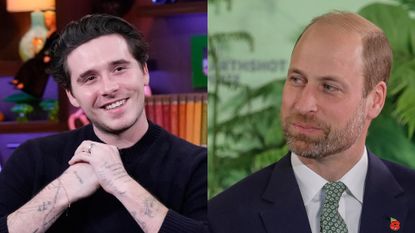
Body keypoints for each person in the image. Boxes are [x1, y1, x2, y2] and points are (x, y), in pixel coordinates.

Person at [208, 11, 415, 233]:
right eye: (297, 80)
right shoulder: (223, 218)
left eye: (329, 87)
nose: (303, 105)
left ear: (375, 100)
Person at [0, 14, 207, 233]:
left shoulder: (196, 166)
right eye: (89, 78)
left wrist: (120, 182)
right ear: (71, 94)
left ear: (144, 72)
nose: (108, 88)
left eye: (119, 68)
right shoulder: (33, 159)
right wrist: (61, 192)